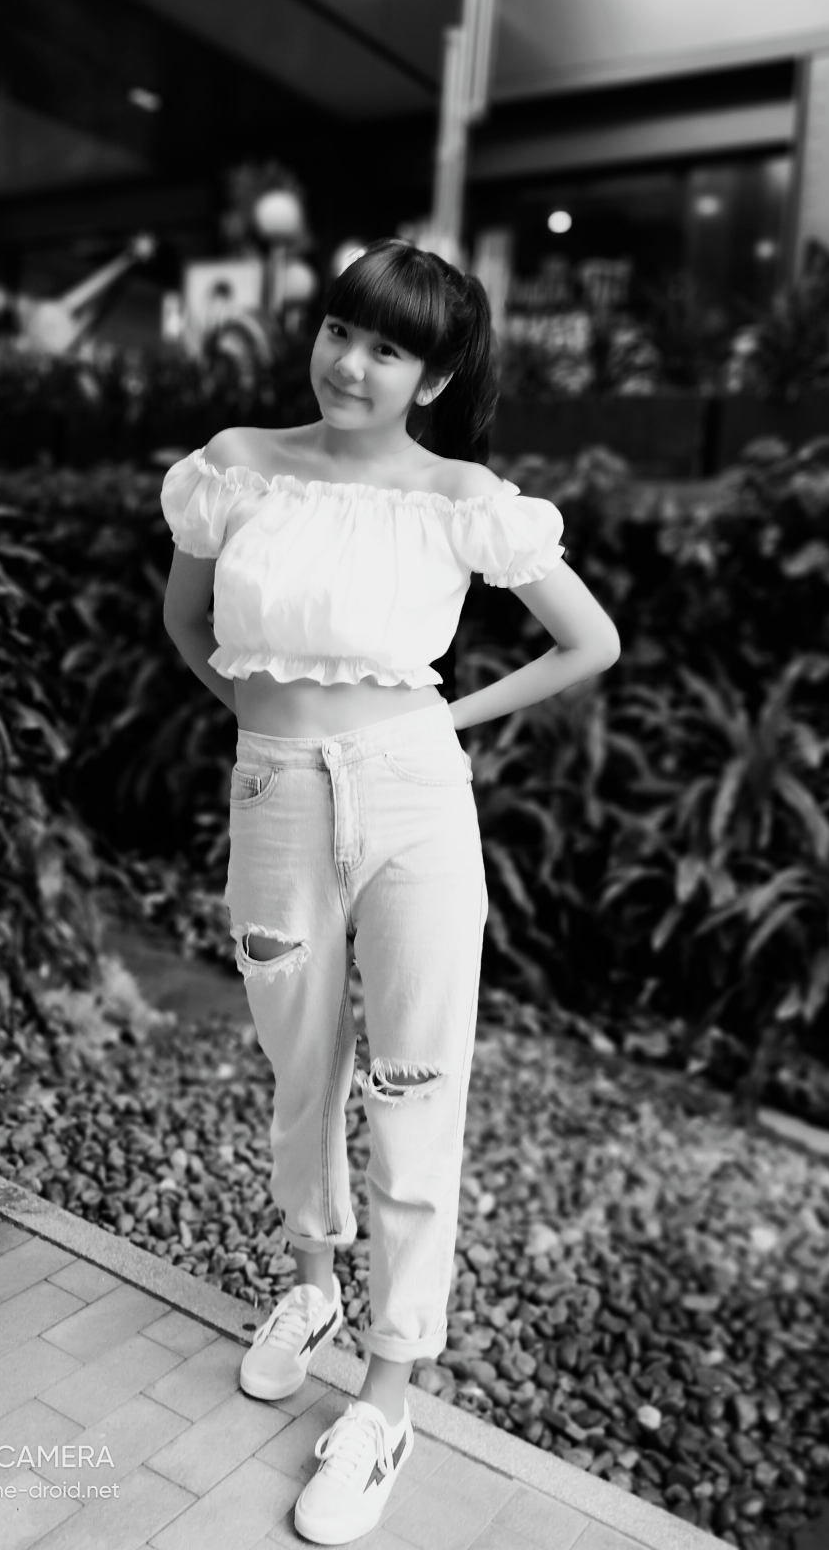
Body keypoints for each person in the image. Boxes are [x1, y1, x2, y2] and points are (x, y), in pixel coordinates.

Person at [161, 238, 620, 1545]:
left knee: (417, 1083)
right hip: (276, 795)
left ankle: (387, 1397)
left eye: (389, 348)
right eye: (341, 331)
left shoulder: (461, 498)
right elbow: (188, 626)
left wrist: (439, 722)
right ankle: (313, 1287)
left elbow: (590, 640)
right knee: (297, 1061)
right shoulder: (235, 466)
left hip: (414, 799)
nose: (351, 363)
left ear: (437, 375)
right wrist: (270, 737)